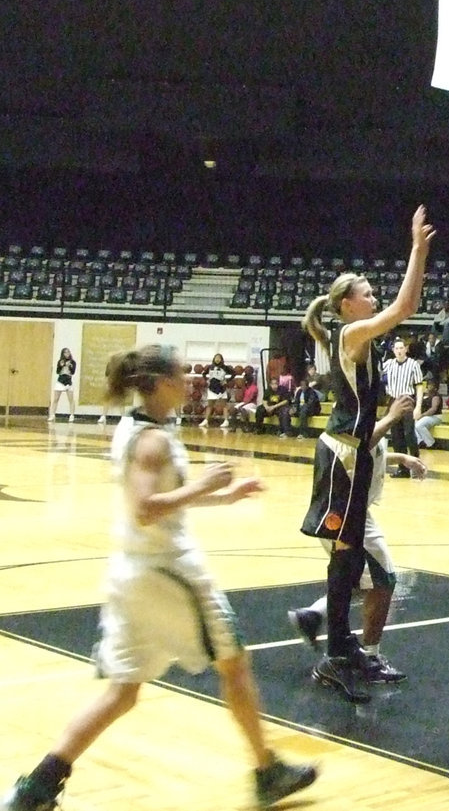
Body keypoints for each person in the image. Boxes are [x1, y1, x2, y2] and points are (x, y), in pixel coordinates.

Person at [1, 345, 317, 811]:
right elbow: (146, 509)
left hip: (131, 575)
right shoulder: (152, 441)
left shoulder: (139, 428)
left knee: (123, 692)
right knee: (233, 663)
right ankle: (267, 770)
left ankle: (38, 786)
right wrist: (204, 487)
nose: (189, 380)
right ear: (161, 383)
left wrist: (223, 497)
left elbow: (162, 499)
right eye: (181, 375)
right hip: (169, 573)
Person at [299, 205, 433, 704]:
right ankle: (335, 656)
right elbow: (403, 307)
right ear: (347, 305)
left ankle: (343, 647)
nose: (375, 299)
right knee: (342, 559)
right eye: (368, 294)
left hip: (356, 456)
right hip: (342, 457)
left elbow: (402, 308)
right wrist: (417, 249)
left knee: (349, 558)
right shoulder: (352, 334)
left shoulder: (361, 339)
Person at [288, 397, 428, 684]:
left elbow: (371, 450)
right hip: (348, 515)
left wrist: (401, 458)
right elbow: (359, 444)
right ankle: (371, 655)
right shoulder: (350, 429)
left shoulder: (361, 425)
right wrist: (390, 417)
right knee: (383, 581)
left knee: (356, 578)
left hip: (348, 513)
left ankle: (313, 615)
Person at [382, 337, 423, 473]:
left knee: (409, 434)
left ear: (406, 349)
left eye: (401, 348)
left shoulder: (413, 364)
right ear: (393, 350)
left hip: (407, 400)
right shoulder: (388, 364)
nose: (399, 351)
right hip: (393, 400)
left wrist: (418, 407)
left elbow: (419, 387)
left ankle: (417, 465)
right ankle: (403, 468)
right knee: (396, 435)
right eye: (396, 348)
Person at [200, 352, 234, 428]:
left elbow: (234, 373)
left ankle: (226, 421)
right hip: (212, 388)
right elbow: (204, 374)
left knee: (224, 405)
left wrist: (226, 381)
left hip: (221, 388)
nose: (217, 359)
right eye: (216, 358)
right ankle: (206, 420)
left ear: (221, 359)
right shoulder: (210, 367)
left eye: (219, 358)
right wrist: (207, 380)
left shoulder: (225, 367)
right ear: (214, 359)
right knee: (210, 405)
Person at [413, 375, 444, 448]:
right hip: (425, 416)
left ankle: (431, 443)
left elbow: (433, 409)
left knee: (419, 425)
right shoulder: (424, 395)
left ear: (436, 387)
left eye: (432, 385)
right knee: (413, 422)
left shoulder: (436, 396)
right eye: (429, 384)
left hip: (435, 417)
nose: (429, 386)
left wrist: (422, 415)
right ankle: (420, 442)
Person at [49, 347, 77, 422]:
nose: (67, 354)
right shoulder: (60, 361)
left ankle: (71, 415)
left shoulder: (73, 362)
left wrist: (69, 366)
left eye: (68, 352)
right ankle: (52, 414)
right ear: (63, 354)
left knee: (71, 399)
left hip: (68, 381)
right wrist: (62, 365)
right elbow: (57, 372)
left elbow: (73, 372)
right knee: (55, 399)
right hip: (60, 380)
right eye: (65, 352)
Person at [228, 367, 260, 431]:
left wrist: (242, 405)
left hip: (252, 403)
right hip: (244, 402)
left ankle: (246, 426)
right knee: (233, 410)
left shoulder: (254, 387)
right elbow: (242, 397)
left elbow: (250, 399)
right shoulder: (245, 387)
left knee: (243, 409)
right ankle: (233, 427)